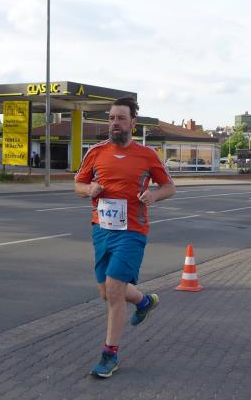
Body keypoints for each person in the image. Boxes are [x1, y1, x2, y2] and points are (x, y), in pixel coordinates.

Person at [74, 97, 176, 378]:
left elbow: (169, 187)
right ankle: (143, 302)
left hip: (132, 231)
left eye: (120, 118)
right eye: (111, 118)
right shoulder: (95, 152)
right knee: (106, 292)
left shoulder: (147, 155)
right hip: (102, 230)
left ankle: (110, 355)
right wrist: (88, 189)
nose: (115, 123)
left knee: (115, 290)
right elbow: (78, 184)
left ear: (133, 122)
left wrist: (154, 195)